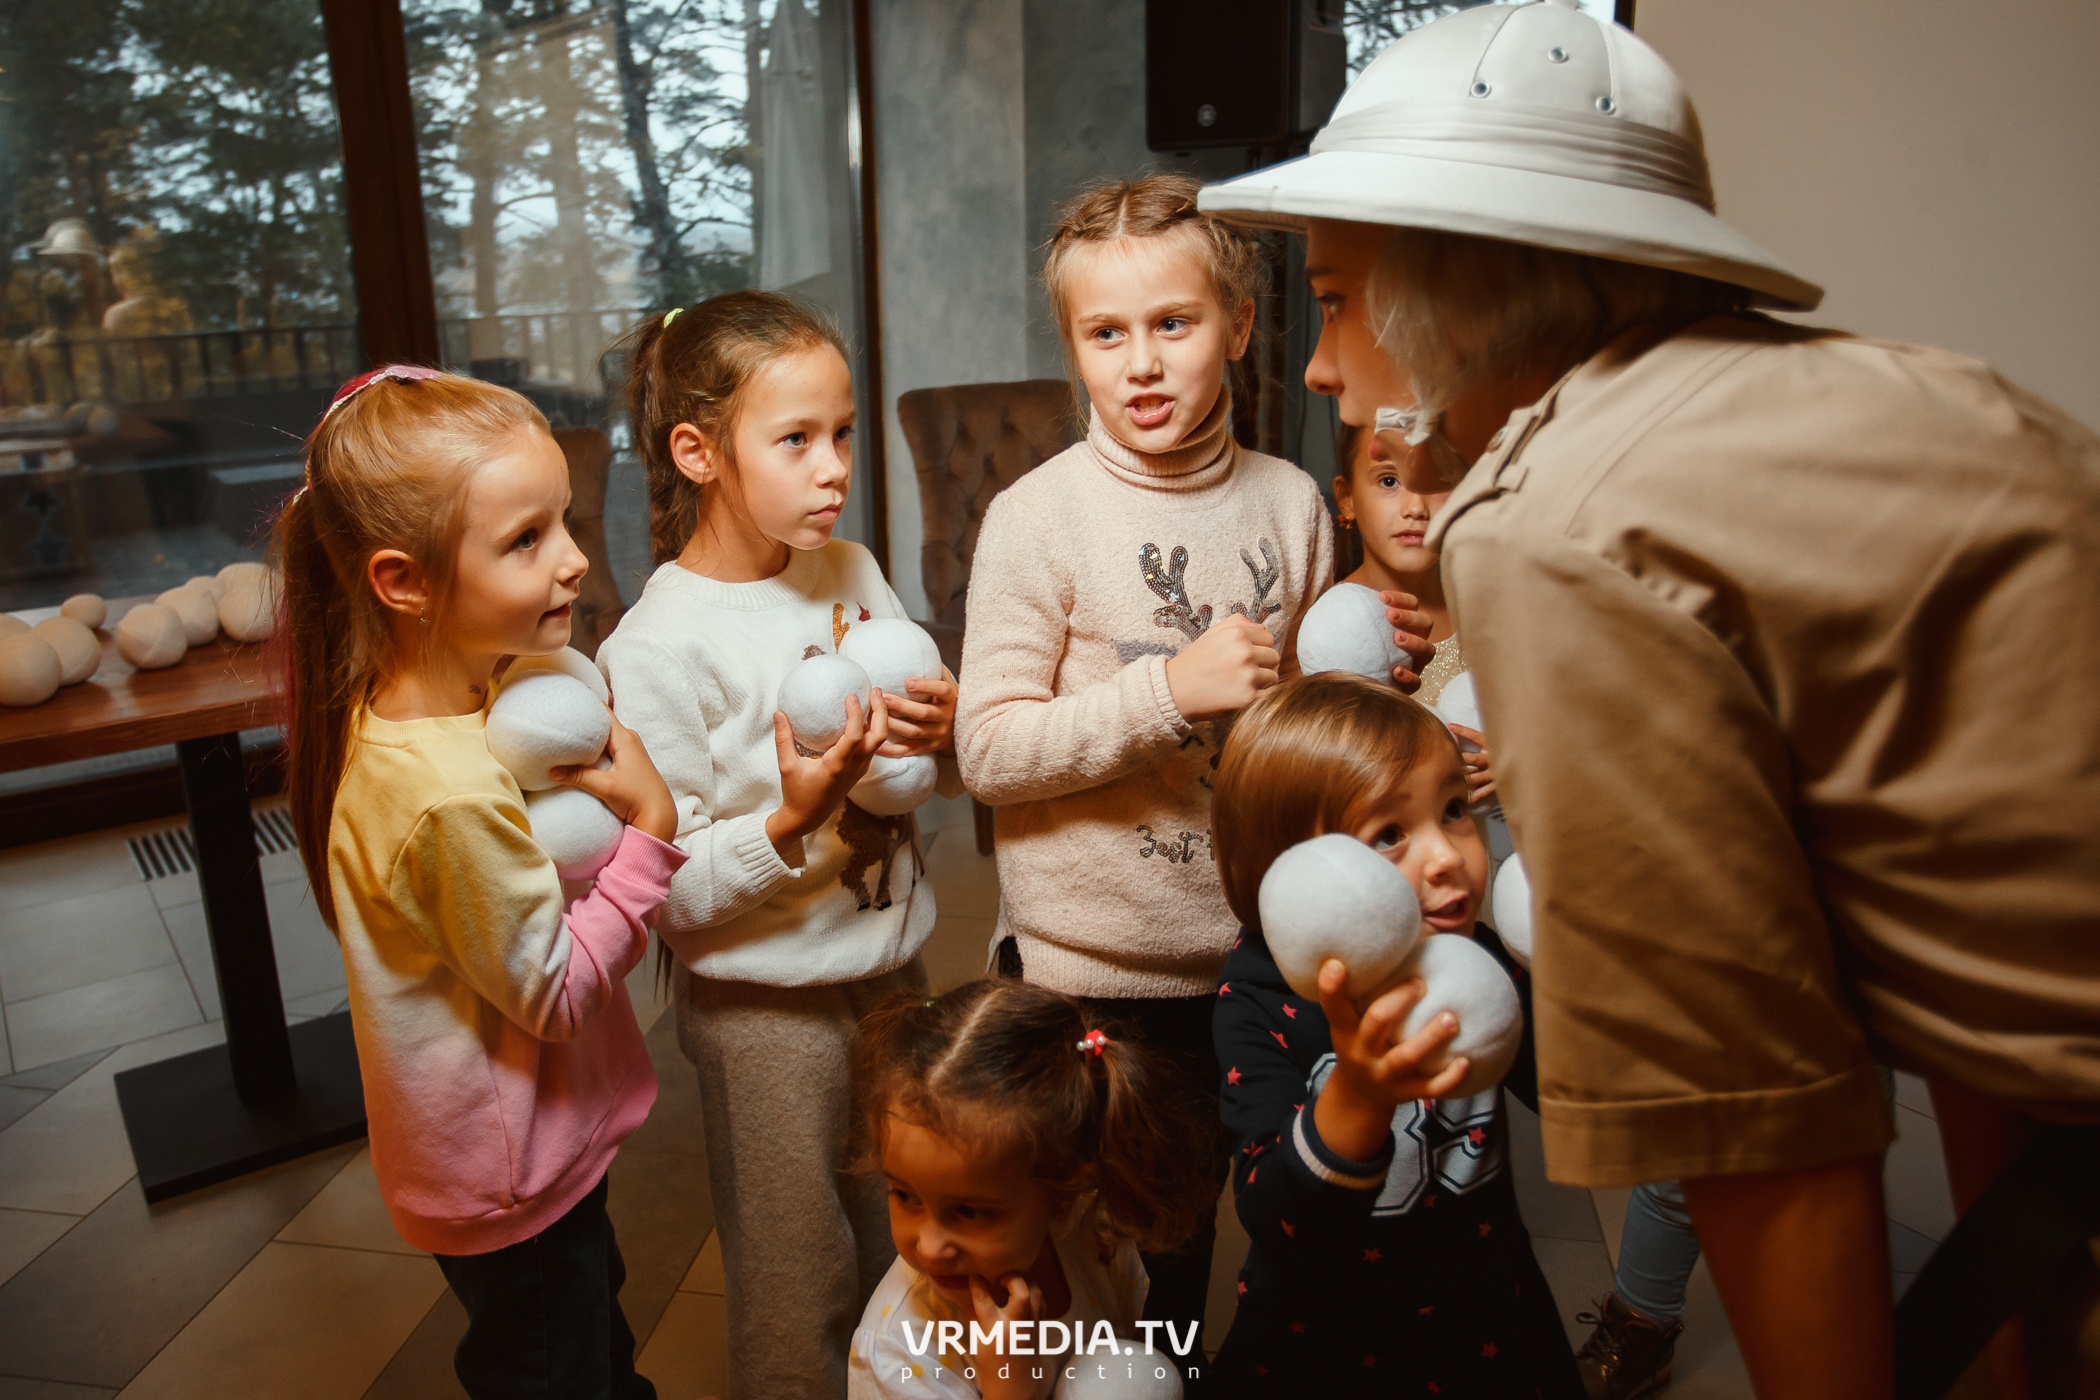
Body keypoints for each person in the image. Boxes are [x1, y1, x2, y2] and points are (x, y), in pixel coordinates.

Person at [1198, 3, 2100, 1396]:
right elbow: (2004, 935)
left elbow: (1759, 1123)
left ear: (1469, 277)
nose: (1319, 368)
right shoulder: (1921, 393)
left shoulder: (1556, 520)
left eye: (1333, 299)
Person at [954, 172, 1346, 1374]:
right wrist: (1164, 693)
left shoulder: (1292, 502)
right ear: (1071, 344)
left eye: (1173, 323)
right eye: (1104, 333)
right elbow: (990, 750)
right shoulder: (1038, 517)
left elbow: (1317, 744)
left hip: (1250, 961)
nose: (1142, 362)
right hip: (1089, 980)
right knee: (1083, 1255)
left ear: (1237, 319)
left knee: (1193, 1243)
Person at [277, 366, 686, 1400]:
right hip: (511, 1173)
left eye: (563, 520)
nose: (574, 558)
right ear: (403, 582)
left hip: (516, 1153)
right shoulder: (448, 795)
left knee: (595, 1343)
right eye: (525, 539)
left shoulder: (436, 707)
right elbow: (550, 990)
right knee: (559, 1366)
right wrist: (652, 830)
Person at [597, 291, 960, 1400]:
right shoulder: (657, 646)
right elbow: (674, 893)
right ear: (698, 452)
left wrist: (932, 737)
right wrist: (790, 817)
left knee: (913, 1251)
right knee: (799, 1277)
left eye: (842, 432)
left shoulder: (847, 570)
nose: (834, 467)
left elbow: (904, 779)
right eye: (796, 439)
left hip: (890, 969)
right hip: (765, 1015)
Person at [1205, 672, 1579, 1397]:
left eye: (1454, 810)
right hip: (1323, 1343)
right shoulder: (1255, 998)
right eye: (1389, 834)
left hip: (1489, 1321)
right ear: (1290, 871)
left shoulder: (1481, 958)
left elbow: (1574, 1096)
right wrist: (1359, 1094)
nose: (1448, 857)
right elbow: (1277, 1220)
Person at [845, 979, 1214, 1398]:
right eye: (904, 1195)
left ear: (1066, 1193)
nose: (929, 1247)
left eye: (969, 1212)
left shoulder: (1095, 1237)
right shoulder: (896, 1351)